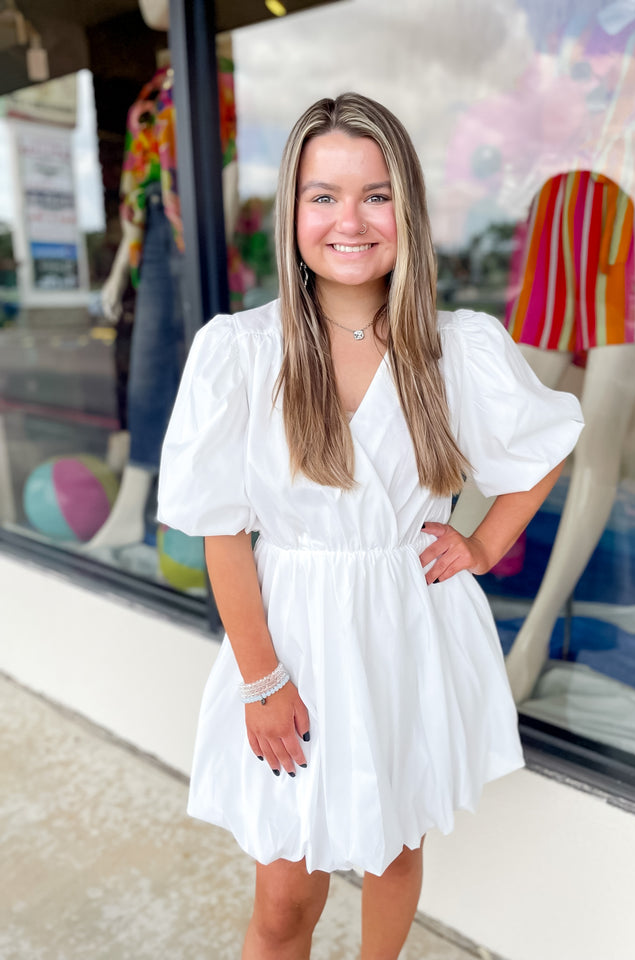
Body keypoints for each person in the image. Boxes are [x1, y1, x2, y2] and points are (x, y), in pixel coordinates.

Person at [157, 93, 583, 960]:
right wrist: (261, 679)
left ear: (408, 212)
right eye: (324, 195)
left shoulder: (454, 347)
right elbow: (221, 531)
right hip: (291, 639)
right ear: (293, 212)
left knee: (393, 849)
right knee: (284, 900)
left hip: (405, 625)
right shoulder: (241, 351)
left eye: (375, 194)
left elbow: (547, 443)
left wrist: (486, 542)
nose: (350, 220)